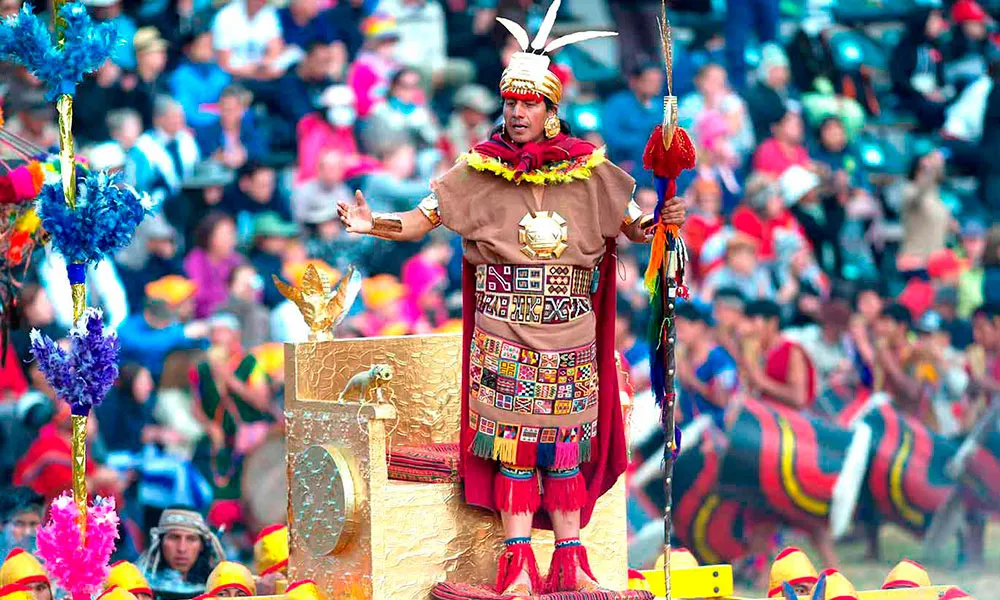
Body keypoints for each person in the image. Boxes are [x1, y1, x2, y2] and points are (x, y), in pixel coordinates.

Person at [336, 5, 685, 594]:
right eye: (510, 103)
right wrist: (374, 224)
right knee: (515, 450)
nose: (516, 113)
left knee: (567, 451)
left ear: (551, 111)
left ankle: (570, 564)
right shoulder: (475, 171)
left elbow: (637, 228)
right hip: (504, 334)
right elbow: (421, 221)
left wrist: (665, 219)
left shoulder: (591, 172)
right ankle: (518, 565)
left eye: (528, 105)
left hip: (571, 334)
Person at [191, 314, 272, 506]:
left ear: (236, 335)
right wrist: (209, 426)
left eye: (222, 332)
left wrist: (230, 381)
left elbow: (262, 402)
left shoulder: (251, 363)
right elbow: (196, 406)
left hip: (248, 441)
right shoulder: (201, 369)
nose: (216, 338)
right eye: (213, 332)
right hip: (218, 443)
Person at [118, 275, 209, 383]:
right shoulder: (129, 329)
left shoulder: (176, 327)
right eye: (186, 301)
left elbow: (201, 345)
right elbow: (144, 344)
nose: (192, 306)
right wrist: (182, 334)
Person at [740, 300, 817, 412]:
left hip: (788, 423)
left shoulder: (792, 351)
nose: (749, 328)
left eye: (753, 321)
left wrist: (761, 381)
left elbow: (799, 398)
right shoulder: (753, 350)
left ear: (772, 323)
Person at [127, 95, 200, 206]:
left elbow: (197, 169)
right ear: (158, 119)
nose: (179, 121)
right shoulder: (142, 147)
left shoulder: (187, 139)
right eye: (174, 117)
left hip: (190, 202)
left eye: (180, 116)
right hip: (156, 209)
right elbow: (138, 185)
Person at [675, 302, 737, 429]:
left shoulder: (720, 360)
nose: (678, 335)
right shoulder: (683, 356)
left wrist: (692, 380)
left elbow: (723, 400)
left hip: (713, 429)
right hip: (687, 426)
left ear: (699, 326)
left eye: (682, 329)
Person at [137, 507, 225, 596]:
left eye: (191, 539)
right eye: (174, 537)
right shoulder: (138, 583)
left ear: (202, 545)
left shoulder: (218, 587)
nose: (182, 548)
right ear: (159, 541)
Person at [889, 7, 952, 131]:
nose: (939, 24)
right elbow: (899, 79)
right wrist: (923, 94)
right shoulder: (905, 48)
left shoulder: (937, 48)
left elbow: (941, 77)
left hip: (934, 93)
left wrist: (940, 92)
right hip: (911, 97)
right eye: (934, 21)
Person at [602, 61, 665, 181]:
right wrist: (645, 139)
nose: (655, 85)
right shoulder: (618, 104)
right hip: (626, 162)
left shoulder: (662, 107)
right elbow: (611, 136)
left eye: (658, 81)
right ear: (635, 81)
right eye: (650, 81)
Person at [898, 149, 951, 273]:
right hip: (915, 261)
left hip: (936, 263)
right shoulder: (909, 190)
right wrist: (930, 169)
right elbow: (919, 193)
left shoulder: (937, 197)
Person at [184, 213, 245, 319]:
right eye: (225, 234)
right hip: (206, 316)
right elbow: (198, 295)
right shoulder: (196, 259)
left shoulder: (237, 260)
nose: (231, 239)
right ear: (209, 236)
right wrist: (229, 293)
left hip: (238, 313)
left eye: (232, 234)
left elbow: (255, 291)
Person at [0, 489, 43, 557]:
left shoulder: (48, 559)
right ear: (2, 525)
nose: (27, 532)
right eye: (19, 524)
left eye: (33, 524)